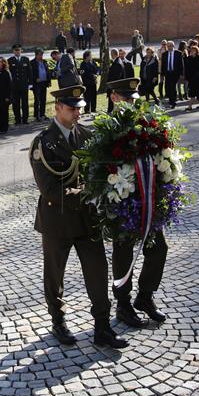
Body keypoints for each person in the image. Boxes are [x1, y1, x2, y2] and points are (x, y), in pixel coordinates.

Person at [28, 80, 127, 349]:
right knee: (55, 274)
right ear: (58, 107)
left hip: (87, 219)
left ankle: (102, 326)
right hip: (57, 220)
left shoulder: (86, 135)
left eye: (80, 108)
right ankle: (58, 320)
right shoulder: (43, 143)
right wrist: (88, 193)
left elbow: (100, 172)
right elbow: (50, 189)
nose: (78, 112)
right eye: (72, 108)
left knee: (97, 271)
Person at [106, 78, 168, 327]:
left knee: (159, 248)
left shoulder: (146, 124)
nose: (131, 103)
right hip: (123, 201)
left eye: (133, 98)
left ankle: (145, 296)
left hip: (148, 200)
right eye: (125, 98)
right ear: (113, 98)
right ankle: (123, 304)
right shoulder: (106, 128)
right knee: (123, 252)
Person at [8, 44, 31, 125]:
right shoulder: (10, 60)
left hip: (24, 85)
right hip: (15, 86)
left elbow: (29, 72)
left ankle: (25, 119)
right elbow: (9, 74)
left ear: (21, 50)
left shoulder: (26, 59)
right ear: (13, 51)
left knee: (25, 103)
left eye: (19, 50)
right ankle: (17, 119)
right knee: (16, 104)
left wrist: (30, 84)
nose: (17, 52)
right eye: (16, 50)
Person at [30, 49, 51, 122]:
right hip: (36, 84)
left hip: (44, 83)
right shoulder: (32, 63)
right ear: (36, 55)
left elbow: (47, 71)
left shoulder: (44, 61)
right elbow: (30, 73)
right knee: (37, 100)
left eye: (42, 54)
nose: (41, 56)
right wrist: (35, 79)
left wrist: (49, 81)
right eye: (39, 54)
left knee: (43, 99)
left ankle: (42, 114)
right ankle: (37, 115)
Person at [184, 45, 199, 111]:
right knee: (195, 92)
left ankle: (189, 106)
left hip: (198, 78)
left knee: (193, 92)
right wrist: (186, 77)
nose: (192, 51)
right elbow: (186, 68)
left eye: (194, 50)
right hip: (190, 78)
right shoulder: (188, 58)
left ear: (197, 51)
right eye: (192, 50)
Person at [0, 57, 13, 133]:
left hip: (4, 97)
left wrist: (8, 97)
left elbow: (10, 85)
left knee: (4, 112)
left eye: (0, 62)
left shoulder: (6, 72)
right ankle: (1, 126)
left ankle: (4, 128)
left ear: (3, 63)